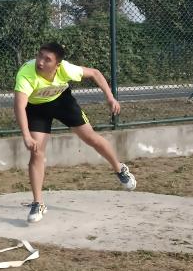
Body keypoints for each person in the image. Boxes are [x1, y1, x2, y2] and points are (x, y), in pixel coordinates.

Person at [13, 42, 136, 223]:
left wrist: (110, 98)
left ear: (57, 65)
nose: (40, 62)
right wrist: (26, 135)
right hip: (37, 108)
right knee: (36, 151)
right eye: (39, 56)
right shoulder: (26, 74)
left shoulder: (66, 69)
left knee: (91, 138)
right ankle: (38, 203)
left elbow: (95, 73)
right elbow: (19, 106)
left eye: (47, 59)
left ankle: (119, 168)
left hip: (62, 102)